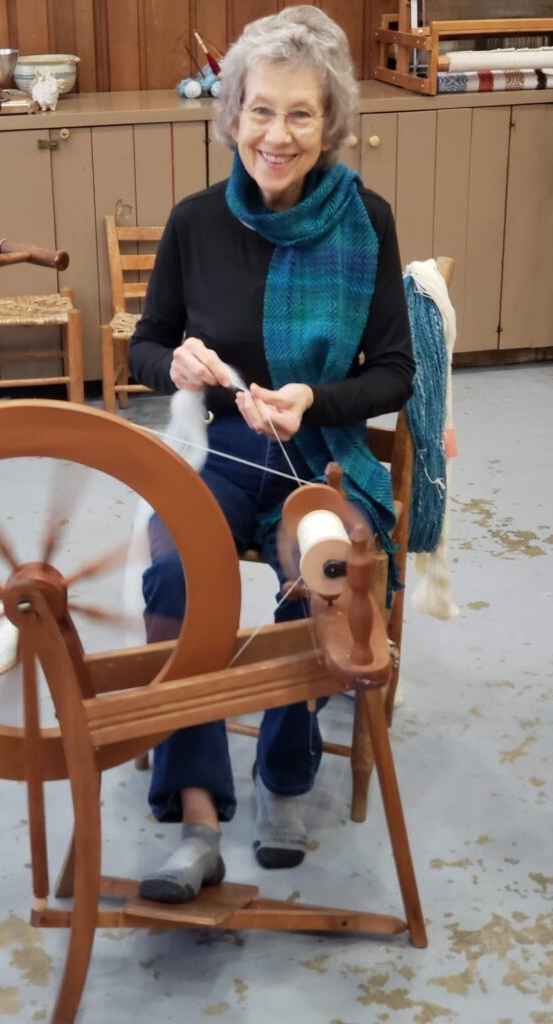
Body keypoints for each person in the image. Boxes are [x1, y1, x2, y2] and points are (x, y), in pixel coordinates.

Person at [129, 5, 415, 905]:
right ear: (232, 114)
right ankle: (200, 812)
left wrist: (311, 399)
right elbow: (147, 344)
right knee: (176, 568)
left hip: (320, 449)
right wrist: (170, 362)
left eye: (300, 114)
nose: (276, 134)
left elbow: (397, 372)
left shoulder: (366, 221)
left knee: (317, 571)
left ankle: (283, 783)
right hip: (222, 447)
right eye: (260, 110)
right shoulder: (196, 222)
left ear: (329, 123)